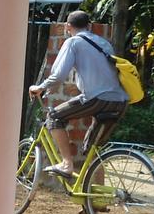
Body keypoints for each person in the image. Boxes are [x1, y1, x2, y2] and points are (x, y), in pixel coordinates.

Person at [28, 10, 128, 178]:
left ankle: (67, 164)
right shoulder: (104, 43)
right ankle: (96, 203)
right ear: (89, 26)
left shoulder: (73, 42)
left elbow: (59, 74)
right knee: (92, 151)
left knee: (54, 118)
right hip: (120, 100)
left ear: (68, 26)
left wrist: (41, 87)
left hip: (97, 98)